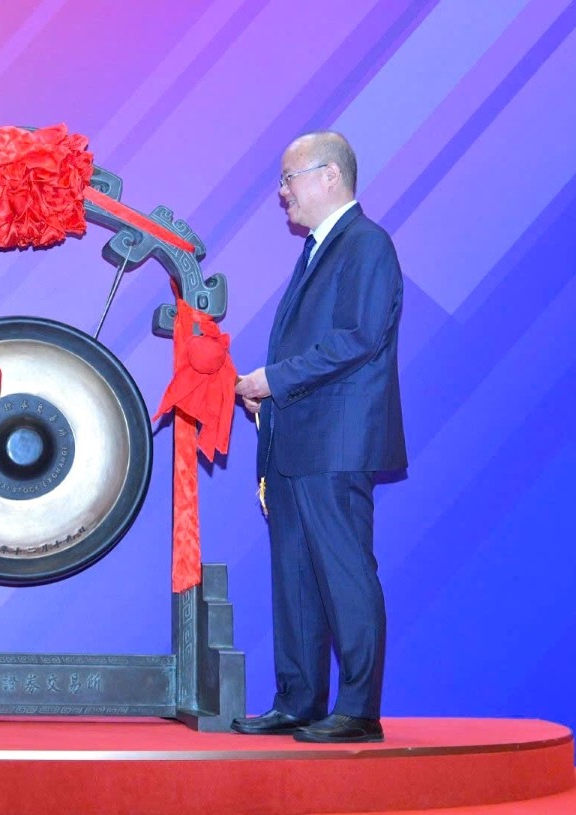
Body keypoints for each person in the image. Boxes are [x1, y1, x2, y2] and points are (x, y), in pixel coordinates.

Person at [232, 131, 406, 744]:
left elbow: (357, 337)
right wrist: (268, 392)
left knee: (344, 572)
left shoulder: (366, 244)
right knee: (296, 576)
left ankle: (358, 709)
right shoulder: (318, 249)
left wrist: (273, 379)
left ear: (330, 175)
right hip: (296, 440)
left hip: (336, 444)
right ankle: (299, 700)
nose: (282, 192)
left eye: (289, 178)